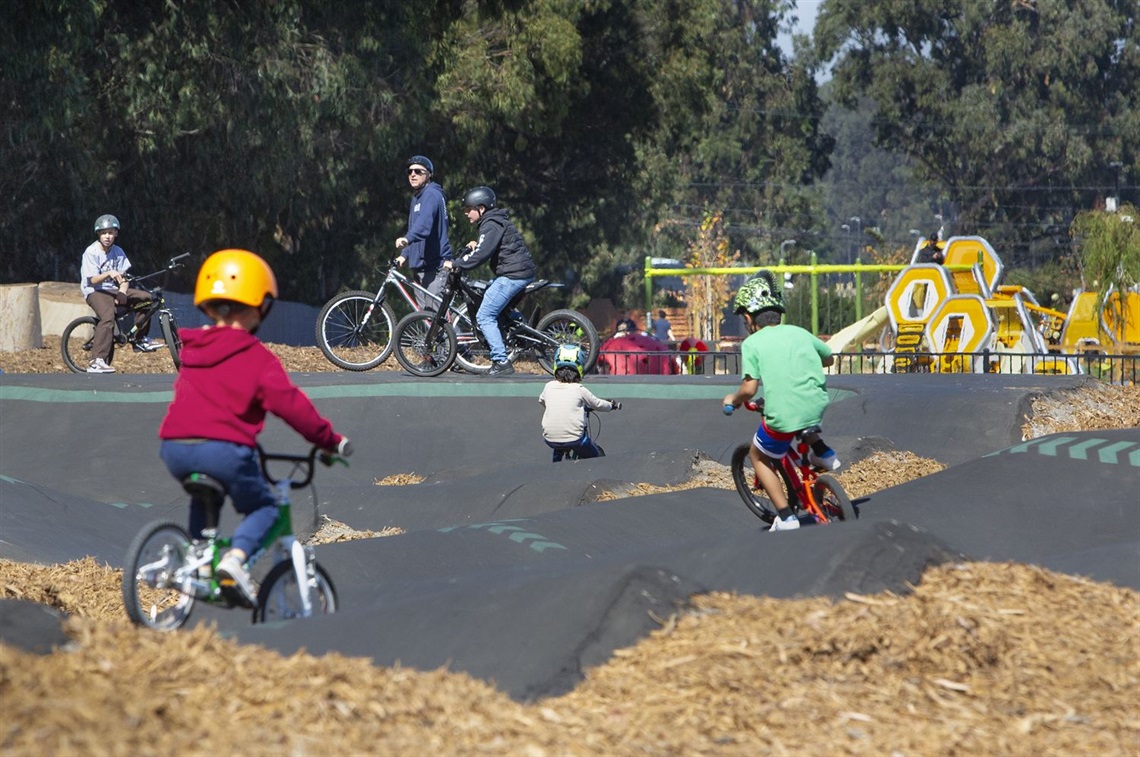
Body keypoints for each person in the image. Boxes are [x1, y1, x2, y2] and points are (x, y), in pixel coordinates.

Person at [158, 249, 352, 607]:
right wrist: (330, 440)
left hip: (174, 447)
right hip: (223, 450)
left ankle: (200, 559)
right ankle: (235, 560)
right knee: (264, 508)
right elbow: (292, 407)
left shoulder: (193, 350)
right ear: (258, 305)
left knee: (206, 493)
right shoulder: (255, 357)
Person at [722, 271, 840, 532]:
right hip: (817, 404)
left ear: (749, 318)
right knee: (800, 418)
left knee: (758, 456)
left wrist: (734, 398)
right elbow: (829, 358)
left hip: (784, 414)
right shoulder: (799, 332)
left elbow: (750, 388)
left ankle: (786, 517)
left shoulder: (753, 343)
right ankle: (824, 453)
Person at [455, 186, 536, 376]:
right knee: (488, 295)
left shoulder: (491, 224)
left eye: (469, 209)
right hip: (516, 271)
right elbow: (488, 245)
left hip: (513, 274)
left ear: (481, 208)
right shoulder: (494, 222)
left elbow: (483, 254)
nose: (466, 213)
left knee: (484, 316)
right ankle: (517, 328)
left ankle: (501, 362)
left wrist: (458, 263)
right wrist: (475, 246)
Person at [79, 214, 161, 373]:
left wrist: (123, 292)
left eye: (110, 232)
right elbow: (92, 280)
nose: (107, 236)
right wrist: (109, 273)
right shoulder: (91, 252)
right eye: (103, 233)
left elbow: (123, 278)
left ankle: (139, 339)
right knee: (107, 316)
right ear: (98, 235)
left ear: (116, 233)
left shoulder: (118, 251)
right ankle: (97, 361)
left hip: (113, 289)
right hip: (94, 290)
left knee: (146, 299)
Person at [539, 344, 621, 461]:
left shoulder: (548, 387)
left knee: (558, 448)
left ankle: (556, 463)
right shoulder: (579, 389)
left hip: (550, 439)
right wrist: (611, 406)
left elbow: (542, 401)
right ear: (580, 368)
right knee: (596, 457)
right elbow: (597, 404)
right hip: (576, 440)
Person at [395, 155, 453, 308]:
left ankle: (459, 333)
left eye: (418, 171)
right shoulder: (416, 199)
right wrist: (404, 255)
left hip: (435, 267)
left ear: (429, 174)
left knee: (436, 320)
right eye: (410, 171)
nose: (413, 174)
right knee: (426, 321)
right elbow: (414, 228)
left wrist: (406, 239)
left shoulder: (432, 195)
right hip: (419, 267)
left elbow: (423, 226)